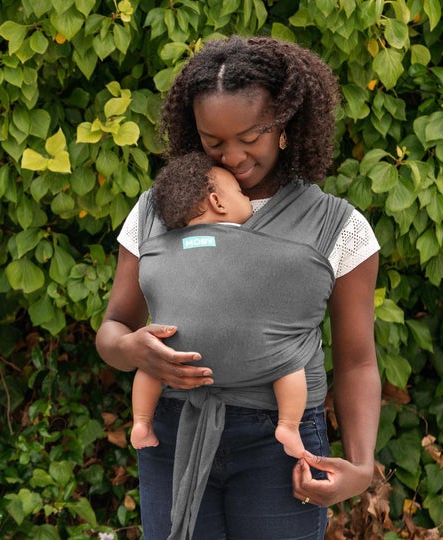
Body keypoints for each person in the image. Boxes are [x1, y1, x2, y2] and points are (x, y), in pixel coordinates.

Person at [96, 35, 381, 540]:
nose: (232, 157)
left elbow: (357, 359)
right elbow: (113, 327)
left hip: (283, 446)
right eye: (213, 142)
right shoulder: (160, 208)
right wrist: (131, 348)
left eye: (250, 137)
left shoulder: (338, 226)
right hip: (175, 433)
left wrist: (359, 466)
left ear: (286, 126)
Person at [130, 151, 308, 460]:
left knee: (149, 366)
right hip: (253, 347)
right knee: (290, 363)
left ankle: (141, 423)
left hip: (176, 347)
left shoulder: (165, 246)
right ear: (218, 202)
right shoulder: (255, 240)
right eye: (240, 194)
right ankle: (289, 426)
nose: (248, 201)